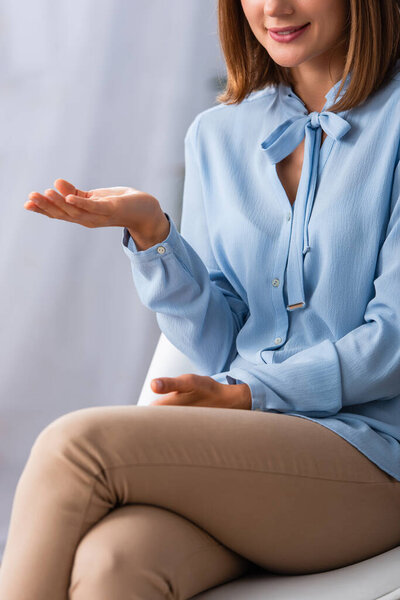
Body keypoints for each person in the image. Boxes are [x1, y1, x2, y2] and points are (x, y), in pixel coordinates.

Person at [1, 0, 400, 598]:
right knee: (115, 565)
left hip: (376, 457)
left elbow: (393, 340)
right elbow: (219, 340)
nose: (274, 8)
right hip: (251, 450)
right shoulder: (219, 134)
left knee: (77, 448)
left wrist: (250, 393)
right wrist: (153, 236)